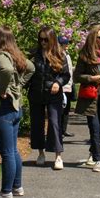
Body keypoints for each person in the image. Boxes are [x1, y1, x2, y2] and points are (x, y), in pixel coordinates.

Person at [0, 26, 35, 198]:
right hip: (15, 108)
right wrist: (19, 84)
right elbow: (31, 67)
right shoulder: (15, 55)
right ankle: (17, 186)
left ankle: (6, 192)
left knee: (7, 152)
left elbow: (6, 70)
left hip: (3, 109)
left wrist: (2, 89)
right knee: (13, 150)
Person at [26, 26, 70, 170]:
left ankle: (58, 155)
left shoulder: (60, 55)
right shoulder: (34, 54)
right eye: (41, 39)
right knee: (37, 124)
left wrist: (58, 83)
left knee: (54, 122)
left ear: (51, 39)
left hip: (53, 94)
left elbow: (66, 75)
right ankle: (40, 153)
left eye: (46, 39)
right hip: (36, 93)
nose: (43, 42)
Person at [74, 25, 100, 172]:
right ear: (93, 39)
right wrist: (91, 77)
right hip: (91, 97)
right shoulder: (85, 55)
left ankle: (92, 154)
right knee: (94, 128)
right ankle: (99, 160)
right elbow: (76, 76)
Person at [58, 35, 76, 138]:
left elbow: (68, 68)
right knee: (61, 109)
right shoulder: (59, 55)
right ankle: (59, 130)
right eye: (64, 43)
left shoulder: (67, 54)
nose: (66, 45)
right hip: (62, 86)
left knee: (67, 109)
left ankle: (64, 130)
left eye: (66, 43)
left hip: (69, 85)